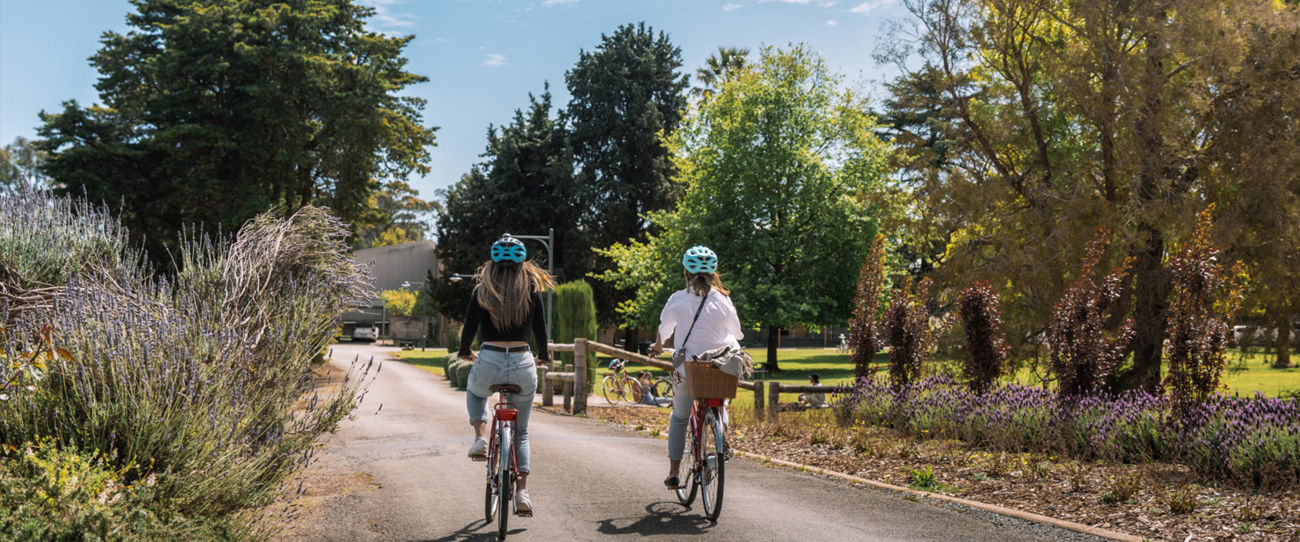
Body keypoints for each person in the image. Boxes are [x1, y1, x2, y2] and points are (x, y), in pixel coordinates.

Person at [459, 235, 555, 516]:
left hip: (488, 358)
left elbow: (469, 327)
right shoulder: (531, 290)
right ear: (522, 265)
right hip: (523, 362)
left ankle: (479, 437)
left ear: (492, 264)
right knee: (521, 433)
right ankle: (523, 493)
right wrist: (544, 356)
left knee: (476, 392)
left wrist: (465, 351)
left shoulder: (481, 291)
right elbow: (540, 330)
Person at [649, 246, 743, 490]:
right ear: (713, 274)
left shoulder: (678, 299)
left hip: (689, 369)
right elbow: (737, 333)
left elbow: (664, 332)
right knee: (722, 403)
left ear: (686, 272)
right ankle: (720, 434)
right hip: (718, 367)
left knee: (679, 418)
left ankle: (673, 473)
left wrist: (658, 347)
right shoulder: (723, 300)